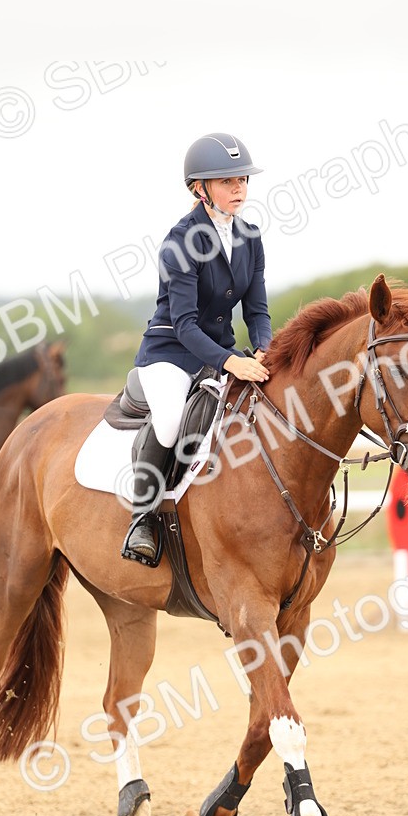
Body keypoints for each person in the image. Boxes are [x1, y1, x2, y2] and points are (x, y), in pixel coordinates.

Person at [122, 132, 272, 562]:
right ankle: (142, 518)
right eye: (227, 181)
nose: (239, 188)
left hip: (221, 354)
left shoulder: (250, 237)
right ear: (199, 189)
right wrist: (231, 363)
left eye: (242, 179)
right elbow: (185, 325)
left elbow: (257, 310)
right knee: (171, 420)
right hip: (171, 352)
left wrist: (263, 349)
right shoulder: (180, 241)